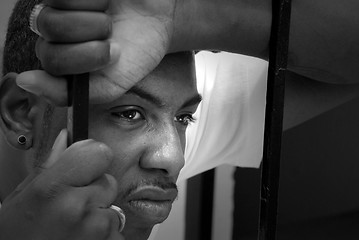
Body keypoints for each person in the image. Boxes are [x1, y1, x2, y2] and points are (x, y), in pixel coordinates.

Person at [1, 0, 359, 239]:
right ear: (20, 113)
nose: (173, 159)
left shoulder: (154, 141)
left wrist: (183, 19)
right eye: (129, 114)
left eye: (186, 117)